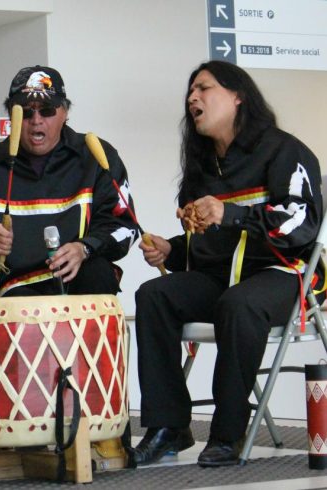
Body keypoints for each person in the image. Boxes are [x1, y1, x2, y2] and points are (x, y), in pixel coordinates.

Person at [133, 60, 323, 468]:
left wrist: (231, 213)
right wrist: (174, 249)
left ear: (238, 96)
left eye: (203, 88)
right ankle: (168, 427)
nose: (192, 98)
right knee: (154, 295)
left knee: (238, 304)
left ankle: (227, 432)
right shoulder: (203, 167)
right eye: (190, 92)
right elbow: (213, 243)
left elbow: (301, 224)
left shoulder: (284, 150)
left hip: (284, 273)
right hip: (222, 278)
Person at [0, 65, 139, 297]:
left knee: (97, 272)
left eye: (46, 110)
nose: (36, 120)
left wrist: (84, 248)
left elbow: (126, 227)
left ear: (65, 112)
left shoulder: (96, 156)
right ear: (11, 115)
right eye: (25, 112)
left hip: (81, 281)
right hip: (14, 290)